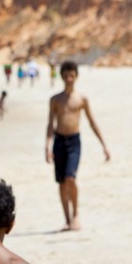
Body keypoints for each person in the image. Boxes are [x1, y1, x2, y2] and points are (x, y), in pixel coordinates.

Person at [45, 61, 110, 231]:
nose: (69, 79)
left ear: (76, 77)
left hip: (74, 141)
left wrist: (104, 145)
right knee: (61, 182)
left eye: (71, 76)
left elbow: (92, 122)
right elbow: (50, 124)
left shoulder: (82, 99)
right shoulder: (55, 100)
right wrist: (47, 146)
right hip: (59, 141)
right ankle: (67, 219)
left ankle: (76, 215)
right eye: (66, 76)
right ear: (62, 77)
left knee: (71, 178)